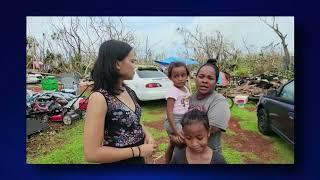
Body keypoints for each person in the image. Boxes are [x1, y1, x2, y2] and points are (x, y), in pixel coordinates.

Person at [84, 40, 156, 164]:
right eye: (132, 61)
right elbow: (91, 154)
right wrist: (138, 150)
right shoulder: (99, 98)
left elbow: (135, 121)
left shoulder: (128, 90)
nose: (135, 66)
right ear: (117, 64)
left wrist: (148, 135)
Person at [187, 59, 231, 155]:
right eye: (201, 76)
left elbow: (210, 129)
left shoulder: (219, 101)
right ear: (195, 78)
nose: (204, 81)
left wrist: (179, 137)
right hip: (188, 151)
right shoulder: (190, 98)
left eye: (210, 78)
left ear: (215, 82)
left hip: (209, 154)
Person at [163, 62, 191, 163]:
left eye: (183, 75)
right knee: (183, 141)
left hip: (183, 119)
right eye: (176, 76)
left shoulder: (186, 89)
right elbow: (169, 111)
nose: (180, 78)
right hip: (174, 120)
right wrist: (175, 130)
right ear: (170, 78)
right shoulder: (173, 91)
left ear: (187, 75)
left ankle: (169, 161)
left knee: (176, 143)